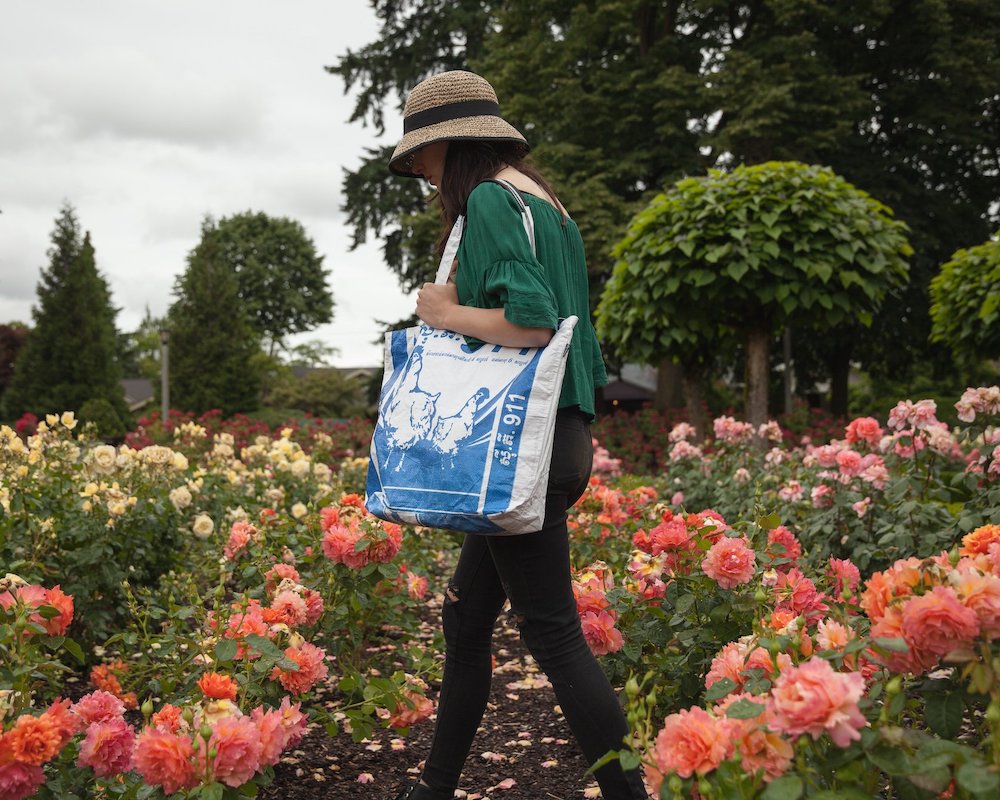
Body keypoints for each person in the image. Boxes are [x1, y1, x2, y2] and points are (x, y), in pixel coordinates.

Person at [386, 70, 648, 800]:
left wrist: (443, 313)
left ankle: (632, 795)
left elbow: (531, 324)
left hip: (516, 450)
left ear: (453, 145)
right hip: (554, 437)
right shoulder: (547, 206)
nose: (423, 174)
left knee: (554, 634)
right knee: (467, 619)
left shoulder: (491, 201)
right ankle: (432, 788)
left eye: (425, 159)